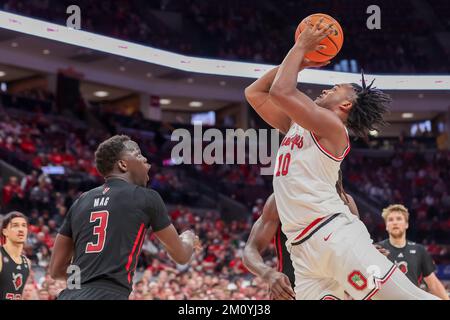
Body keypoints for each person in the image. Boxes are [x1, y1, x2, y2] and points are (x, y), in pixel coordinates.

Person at [245, 19, 438, 300]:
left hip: (334, 235)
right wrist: (302, 62)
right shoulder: (297, 124)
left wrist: (301, 48)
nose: (326, 90)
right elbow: (256, 93)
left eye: (335, 89)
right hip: (302, 250)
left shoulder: (333, 128)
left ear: (345, 105)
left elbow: (281, 91)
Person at [49, 135, 200, 300]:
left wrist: (83, 285)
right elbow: (181, 256)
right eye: (138, 155)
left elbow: (56, 270)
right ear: (123, 164)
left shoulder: (81, 201)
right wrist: (188, 238)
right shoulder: (146, 197)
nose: (146, 160)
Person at [243, 172, 388, 300]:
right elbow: (250, 249)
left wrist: (368, 252)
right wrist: (268, 274)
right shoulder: (281, 200)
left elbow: (353, 252)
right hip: (289, 292)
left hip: (330, 290)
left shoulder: (345, 202)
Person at [377, 204, 449, 300]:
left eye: (399, 219)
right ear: (386, 226)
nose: (395, 222)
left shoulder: (419, 250)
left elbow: (433, 284)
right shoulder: (376, 249)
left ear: (407, 224)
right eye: (390, 220)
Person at [0, 211, 31, 300]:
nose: (21, 229)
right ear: (5, 232)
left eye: (24, 225)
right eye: (15, 225)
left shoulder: (27, 262)